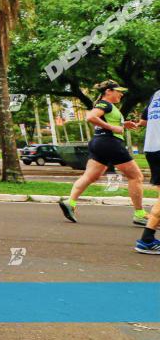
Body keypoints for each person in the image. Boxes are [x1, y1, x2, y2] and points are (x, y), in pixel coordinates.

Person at [58, 80, 148, 226]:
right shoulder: (105, 104)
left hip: (98, 143)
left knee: (90, 176)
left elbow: (104, 120)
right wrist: (113, 128)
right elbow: (90, 117)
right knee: (136, 176)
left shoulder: (108, 106)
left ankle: (70, 202)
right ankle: (140, 214)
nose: (121, 94)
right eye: (118, 91)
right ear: (109, 91)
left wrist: (123, 124)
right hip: (110, 142)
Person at [127, 88, 160, 253]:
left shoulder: (156, 94)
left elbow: (145, 120)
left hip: (152, 149)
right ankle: (147, 239)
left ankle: (148, 238)